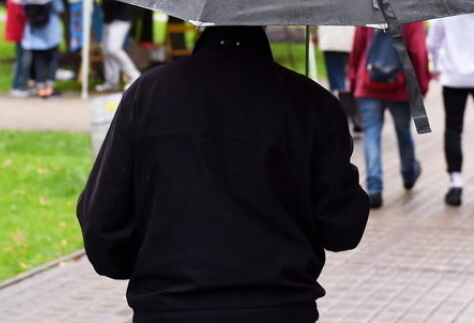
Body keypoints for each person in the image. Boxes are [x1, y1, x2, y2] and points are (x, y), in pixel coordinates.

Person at [77, 25, 369, 323]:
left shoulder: (146, 94)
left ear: (199, 24)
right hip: (279, 308)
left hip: (169, 308)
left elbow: (104, 222)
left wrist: (147, 269)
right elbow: (342, 229)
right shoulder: (313, 103)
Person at [348, 23, 430, 209]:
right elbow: (418, 52)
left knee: (371, 135)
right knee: (403, 132)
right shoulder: (411, 15)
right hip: (400, 85)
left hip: (368, 82)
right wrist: (421, 85)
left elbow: (357, 48)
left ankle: (374, 189)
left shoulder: (368, 9)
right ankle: (409, 173)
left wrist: (353, 79)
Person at [427, 10, 474, 207]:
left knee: (453, 129)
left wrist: (436, 65)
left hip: (453, 76)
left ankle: (455, 183)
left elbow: (433, 41)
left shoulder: (446, 5)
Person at [94, 0, 141, 92]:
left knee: (113, 49)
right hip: (110, 18)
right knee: (107, 51)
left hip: (120, 18)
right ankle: (111, 81)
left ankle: (134, 75)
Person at [21, 0, 64, 98]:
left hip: (35, 32)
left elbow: (24, 11)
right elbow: (59, 8)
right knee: (53, 59)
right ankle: (50, 86)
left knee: (38, 60)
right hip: (51, 32)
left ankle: (41, 87)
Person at [4, 0, 32, 97]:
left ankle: (19, 85)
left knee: (21, 59)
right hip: (21, 33)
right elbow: (20, 15)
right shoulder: (17, 0)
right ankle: (19, 85)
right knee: (23, 60)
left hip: (18, 33)